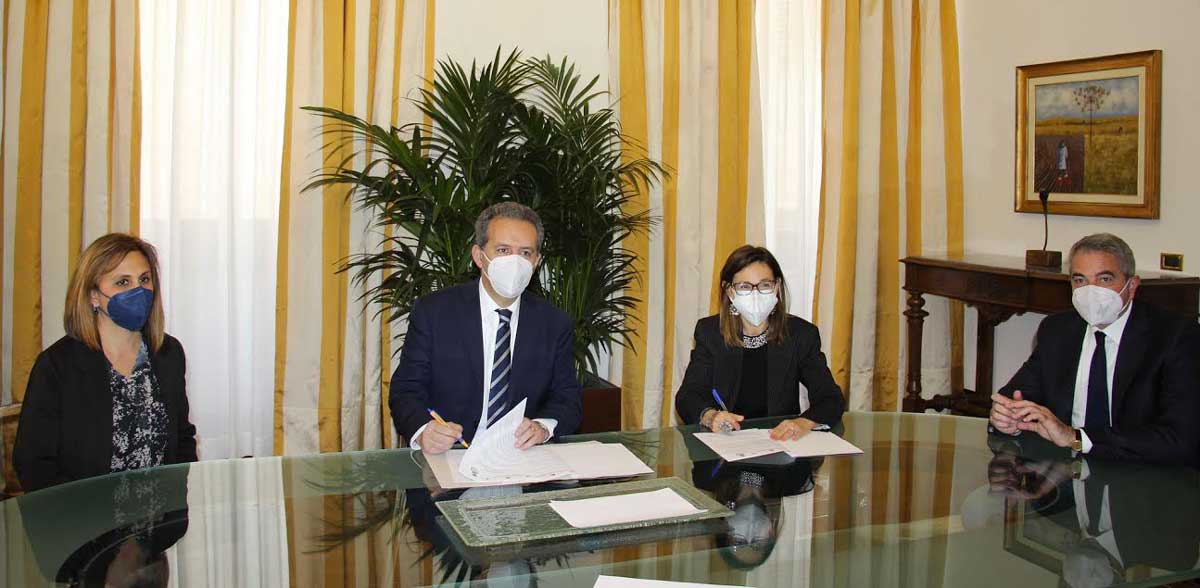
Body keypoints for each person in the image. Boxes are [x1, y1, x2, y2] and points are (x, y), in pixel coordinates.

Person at [990, 233, 1200, 465]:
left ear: (1132, 286)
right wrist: (1006, 417)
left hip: (1143, 473)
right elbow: (1016, 396)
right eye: (1080, 280)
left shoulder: (1175, 336)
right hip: (1063, 471)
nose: (1091, 291)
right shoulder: (1057, 330)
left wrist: (1077, 438)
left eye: (1104, 279)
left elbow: (1180, 439)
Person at [389, 201, 582, 454]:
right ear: (479, 256)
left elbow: (567, 399)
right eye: (503, 250)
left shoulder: (554, 323)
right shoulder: (434, 312)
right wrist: (424, 430)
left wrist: (542, 427)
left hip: (520, 456)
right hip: (450, 453)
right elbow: (405, 390)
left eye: (525, 253)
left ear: (537, 261)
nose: (515, 261)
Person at [13, 233, 197, 492]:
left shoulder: (167, 352)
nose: (138, 291)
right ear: (93, 296)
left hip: (160, 513)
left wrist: (177, 497)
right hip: (84, 515)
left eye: (144, 279)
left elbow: (182, 438)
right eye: (123, 282)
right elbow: (33, 463)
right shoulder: (57, 365)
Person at [675, 245, 845, 439]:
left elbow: (830, 398)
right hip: (725, 442)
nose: (755, 294)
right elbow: (688, 396)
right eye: (744, 287)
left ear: (777, 287)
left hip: (780, 442)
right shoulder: (710, 332)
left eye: (765, 285)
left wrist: (803, 423)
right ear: (729, 291)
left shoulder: (801, 334)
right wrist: (711, 416)